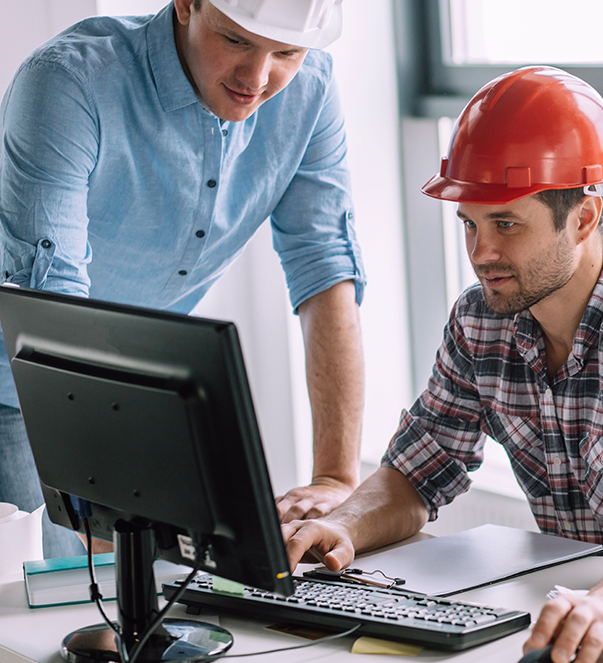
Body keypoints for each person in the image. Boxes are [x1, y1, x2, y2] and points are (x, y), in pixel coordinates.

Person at [282, 65, 603, 663]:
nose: (479, 253)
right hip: (598, 607)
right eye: (469, 224)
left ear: (582, 217)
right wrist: (340, 525)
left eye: (506, 224)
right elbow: (418, 474)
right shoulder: (483, 321)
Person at [0, 0, 365, 557]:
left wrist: (335, 479)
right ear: (188, 4)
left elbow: (326, 268)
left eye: (286, 52)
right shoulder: (69, 81)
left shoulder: (310, 91)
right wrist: (96, 494)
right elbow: (56, 299)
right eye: (238, 41)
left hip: (133, 386)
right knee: (54, 601)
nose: (258, 79)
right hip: (21, 381)